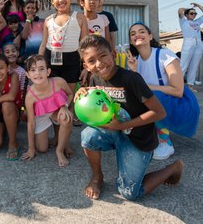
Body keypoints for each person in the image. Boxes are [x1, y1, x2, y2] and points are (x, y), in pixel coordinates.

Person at [75, 34, 183, 200]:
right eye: (92, 61)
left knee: (130, 193)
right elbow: (98, 103)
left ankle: (173, 168)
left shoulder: (131, 79)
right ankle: (97, 177)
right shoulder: (95, 78)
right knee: (87, 135)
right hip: (115, 131)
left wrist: (121, 126)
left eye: (103, 56)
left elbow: (159, 112)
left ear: (113, 54)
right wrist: (84, 94)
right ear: (86, 66)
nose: (99, 64)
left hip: (138, 138)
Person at [127, 22, 200, 160]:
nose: (137, 34)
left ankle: (165, 142)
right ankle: (148, 135)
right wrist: (134, 72)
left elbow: (178, 90)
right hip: (160, 105)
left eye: (141, 31)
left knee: (152, 96)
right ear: (131, 40)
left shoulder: (164, 55)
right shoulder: (135, 61)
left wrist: (147, 87)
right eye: (133, 33)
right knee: (133, 96)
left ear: (150, 36)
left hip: (180, 105)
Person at [39, 0, 88, 118]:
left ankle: (64, 134)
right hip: (51, 59)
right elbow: (43, 44)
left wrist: (86, 67)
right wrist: (37, 64)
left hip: (72, 61)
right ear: (52, 0)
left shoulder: (79, 17)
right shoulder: (48, 20)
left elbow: (85, 45)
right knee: (54, 99)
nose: (61, 0)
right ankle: (56, 136)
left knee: (68, 99)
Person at [22, 55, 73, 167]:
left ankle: (60, 149)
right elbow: (31, 123)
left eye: (41, 69)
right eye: (33, 70)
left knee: (66, 117)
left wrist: (64, 106)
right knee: (42, 149)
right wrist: (31, 149)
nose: (37, 73)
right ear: (28, 75)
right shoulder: (30, 96)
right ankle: (56, 139)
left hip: (57, 111)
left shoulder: (58, 82)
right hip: (41, 116)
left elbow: (70, 94)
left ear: (48, 71)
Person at [178, 3, 203, 92]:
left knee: (194, 65)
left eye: (195, 14)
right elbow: (180, 9)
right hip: (188, 42)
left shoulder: (197, 22)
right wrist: (188, 8)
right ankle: (178, 85)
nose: (194, 15)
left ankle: (190, 85)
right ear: (187, 14)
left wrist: (198, 5)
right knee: (183, 64)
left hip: (199, 43)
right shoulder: (183, 21)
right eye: (191, 13)